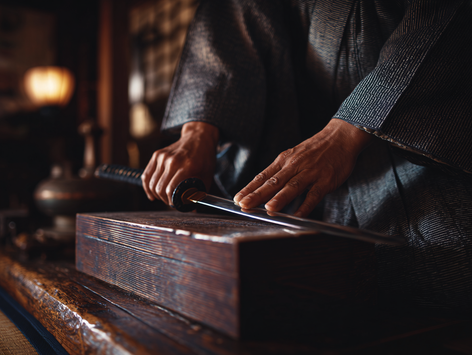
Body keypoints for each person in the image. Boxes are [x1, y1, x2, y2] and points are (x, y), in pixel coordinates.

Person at [142, 0, 472, 313]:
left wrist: (348, 129)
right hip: (305, 176)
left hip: (421, 159)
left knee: (442, 277)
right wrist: (199, 132)